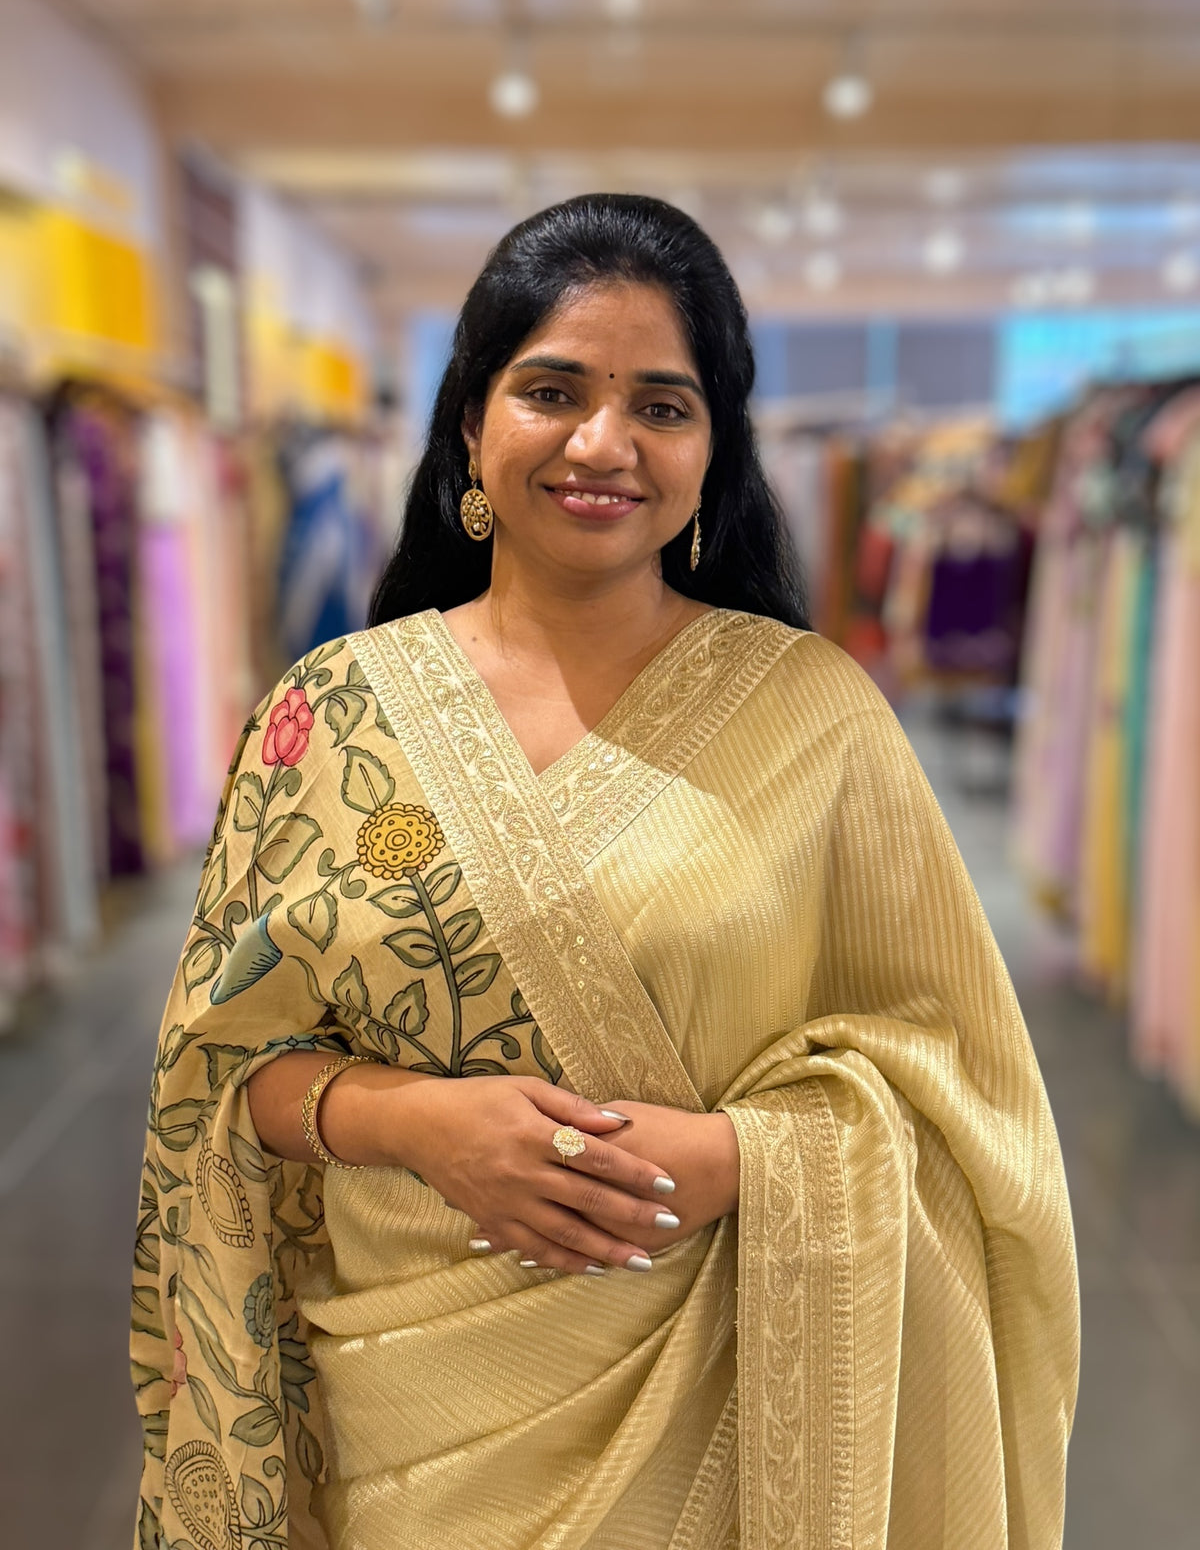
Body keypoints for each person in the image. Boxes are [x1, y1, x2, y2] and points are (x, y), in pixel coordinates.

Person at [132, 193, 1079, 1550]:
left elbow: (968, 1094)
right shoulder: (330, 714)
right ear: (471, 421)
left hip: (721, 1428)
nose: (602, 444)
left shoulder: (814, 716)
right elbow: (218, 1076)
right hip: (407, 1439)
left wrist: (747, 1158)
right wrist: (415, 1125)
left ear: (714, 451)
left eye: (663, 405)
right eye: (553, 390)